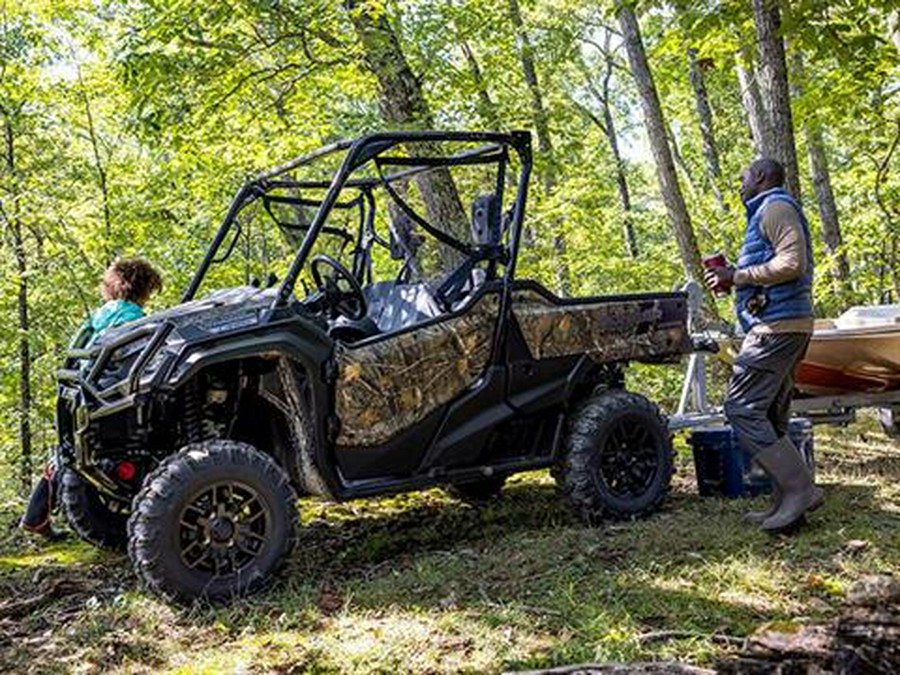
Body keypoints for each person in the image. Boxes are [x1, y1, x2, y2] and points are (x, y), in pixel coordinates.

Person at [704, 158, 823, 533]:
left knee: (741, 407)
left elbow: (793, 262)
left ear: (759, 177)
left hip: (777, 329)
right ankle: (786, 504)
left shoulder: (776, 207)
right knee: (770, 414)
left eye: (743, 178)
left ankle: (800, 490)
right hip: (785, 325)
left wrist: (737, 275)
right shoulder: (768, 211)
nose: (740, 185)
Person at [20, 258, 163, 540]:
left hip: (80, 391)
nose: (102, 286)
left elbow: (78, 347)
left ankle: (35, 518)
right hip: (112, 395)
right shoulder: (135, 318)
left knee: (65, 454)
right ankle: (35, 518)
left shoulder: (101, 315)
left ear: (118, 285)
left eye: (105, 281)